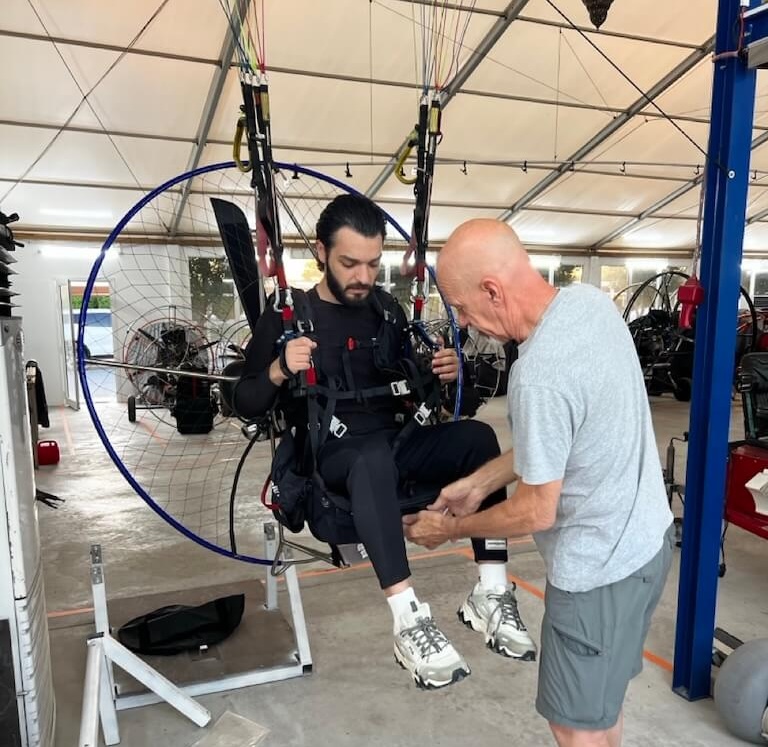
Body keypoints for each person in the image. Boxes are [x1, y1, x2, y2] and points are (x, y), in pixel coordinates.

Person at [232, 195, 536, 690]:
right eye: (349, 263)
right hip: (330, 463)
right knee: (370, 458)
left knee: (478, 438)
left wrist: (445, 373)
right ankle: (408, 620)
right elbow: (243, 402)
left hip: (397, 448)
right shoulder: (286, 318)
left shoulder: (387, 314)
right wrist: (279, 367)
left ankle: (492, 593)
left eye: (373, 265)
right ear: (321, 253)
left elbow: (418, 387)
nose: (362, 277)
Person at [404, 219, 674, 744]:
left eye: (462, 308)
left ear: (492, 290)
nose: (465, 323)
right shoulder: (590, 304)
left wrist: (449, 530)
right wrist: (480, 482)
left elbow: (535, 512)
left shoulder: (538, 375)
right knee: (600, 706)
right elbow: (565, 440)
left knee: (573, 725)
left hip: (597, 573)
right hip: (647, 545)